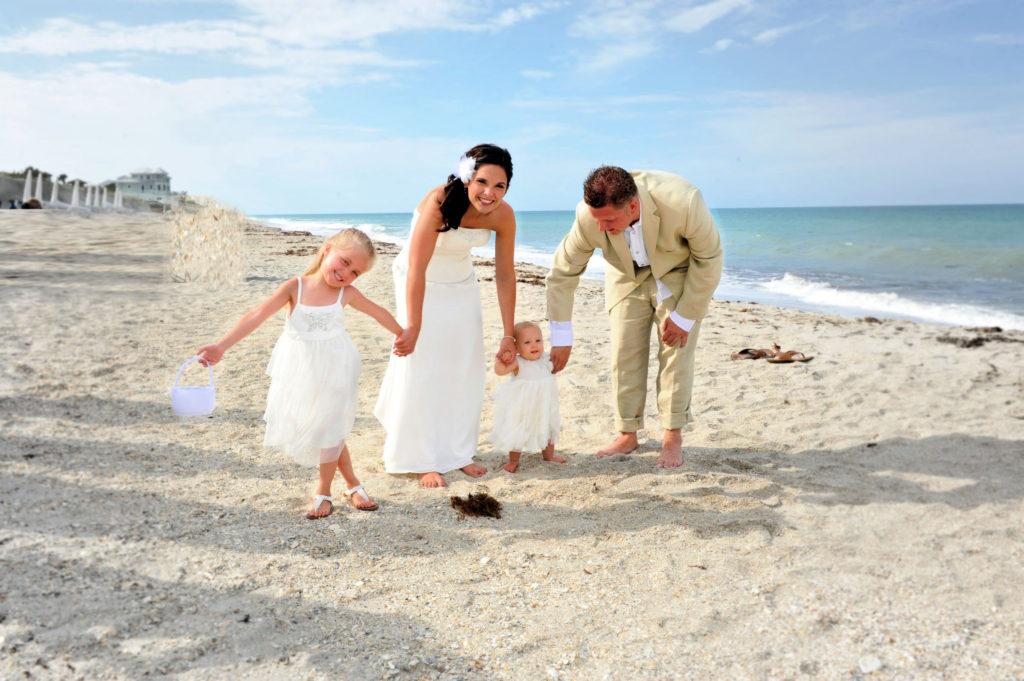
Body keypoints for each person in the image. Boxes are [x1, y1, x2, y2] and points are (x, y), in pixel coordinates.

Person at [198, 228, 402, 518]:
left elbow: (378, 311)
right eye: (345, 262)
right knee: (325, 428)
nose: (346, 273)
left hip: (336, 368)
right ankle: (354, 484)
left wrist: (402, 334)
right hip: (301, 370)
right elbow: (256, 315)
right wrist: (221, 346)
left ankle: (324, 492)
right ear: (328, 249)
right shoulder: (296, 287)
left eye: (355, 271)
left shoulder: (347, 294)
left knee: (328, 426)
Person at [545, 166, 722, 468]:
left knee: (676, 351)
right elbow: (562, 274)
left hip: (677, 271)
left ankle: (672, 435)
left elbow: (709, 258)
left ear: (633, 206)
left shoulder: (684, 201)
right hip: (626, 275)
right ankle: (628, 433)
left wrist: (686, 316)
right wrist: (562, 337)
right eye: (597, 219)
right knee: (624, 354)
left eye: (609, 220)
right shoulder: (590, 217)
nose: (601, 227)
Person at [374, 144, 517, 488]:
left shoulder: (503, 215)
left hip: (461, 284)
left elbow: (505, 276)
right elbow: (416, 266)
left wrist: (508, 333)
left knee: (464, 365)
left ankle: (457, 453)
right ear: (467, 176)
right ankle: (421, 457)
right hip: (418, 278)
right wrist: (414, 325)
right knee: (424, 364)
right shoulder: (440, 199)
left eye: (500, 186)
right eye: (483, 181)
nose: (490, 193)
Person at [490, 321, 564, 473]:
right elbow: (499, 371)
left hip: (545, 405)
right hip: (523, 408)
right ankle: (513, 461)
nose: (534, 345)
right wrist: (501, 360)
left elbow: (558, 365)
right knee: (519, 431)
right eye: (527, 342)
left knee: (549, 429)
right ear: (516, 348)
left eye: (538, 340)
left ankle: (549, 456)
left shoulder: (545, 359)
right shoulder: (518, 363)